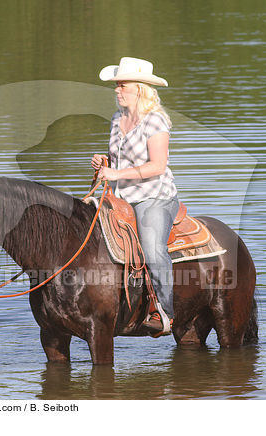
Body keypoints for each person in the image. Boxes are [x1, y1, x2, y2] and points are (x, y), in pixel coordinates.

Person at [91, 57, 179, 335]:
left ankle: (165, 312)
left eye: (122, 85)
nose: (117, 90)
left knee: (153, 250)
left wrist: (116, 175)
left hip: (154, 197)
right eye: (116, 85)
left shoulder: (156, 121)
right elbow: (120, 162)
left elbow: (157, 166)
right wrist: (106, 163)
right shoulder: (118, 120)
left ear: (139, 89)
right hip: (121, 197)